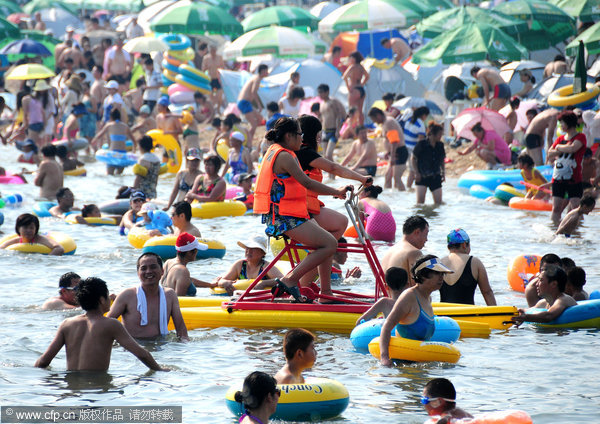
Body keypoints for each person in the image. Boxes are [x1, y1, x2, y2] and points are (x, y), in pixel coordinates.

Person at [253, 117, 349, 302]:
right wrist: (336, 191)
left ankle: (326, 293)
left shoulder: (275, 151)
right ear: (289, 136)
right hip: (285, 219)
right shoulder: (285, 156)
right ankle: (290, 280)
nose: (302, 138)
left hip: (287, 215)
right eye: (299, 134)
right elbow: (306, 182)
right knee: (330, 244)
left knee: (327, 241)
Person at [296, 115, 370, 296]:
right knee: (331, 238)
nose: (320, 138)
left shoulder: (304, 154)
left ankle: (318, 287)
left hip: (309, 208)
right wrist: (361, 178)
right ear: (313, 135)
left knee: (339, 223)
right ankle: (306, 284)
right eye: (319, 134)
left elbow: (310, 186)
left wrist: (336, 191)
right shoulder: (305, 153)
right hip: (301, 211)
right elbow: (335, 168)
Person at [35, 277, 167, 371]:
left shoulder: (67, 324)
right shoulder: (111, 324)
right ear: (101, 299)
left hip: (72, 389)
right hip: (96, 389)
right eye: (108, 296)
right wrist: (159, 369)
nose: (110, 299)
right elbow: (141, 353)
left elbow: (43, 361)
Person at [379, 255, 453, 366]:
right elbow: (387, 327)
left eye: (442, 274)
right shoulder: (409, 297)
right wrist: (384, 358)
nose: (441, 278)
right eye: (437, 273)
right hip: (402, 366)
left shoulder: (428, 298)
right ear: (423, 276)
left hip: (420, 364)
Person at [108, 253, 189, 340]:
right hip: (132, 349)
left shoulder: (170, 295)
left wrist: (185, 351)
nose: (148, 271)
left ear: (162, 271)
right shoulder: (127, 295)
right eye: (143, 268)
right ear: (138, 273)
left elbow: (181, 330)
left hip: (162, 346)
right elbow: (106, 324)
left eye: (153, 267)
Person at [548, 111, 588, 223]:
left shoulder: (581, 137)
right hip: (558, 178)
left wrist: (559, 148)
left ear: (569, 123)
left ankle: (578, 232)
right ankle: (554, 229)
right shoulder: (560, 139)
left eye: (562, 123)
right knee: (556, 208)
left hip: (574, 178)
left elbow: (573, 149)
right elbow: (550, 153)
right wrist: (562, 147)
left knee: (576, 208)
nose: (561, 126)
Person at [440, 229, 496, 306]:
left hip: (444, 314)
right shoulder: (475, 262)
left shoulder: (440, 263)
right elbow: (487, 292)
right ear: (464, 245)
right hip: (467, 314)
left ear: (448, 247)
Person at [160, 232, 227, 296]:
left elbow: (187, 280)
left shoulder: (168, 263)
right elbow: (179, 301)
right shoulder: (183, 271)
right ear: (189, 252)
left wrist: (210, 285)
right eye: (196, 250)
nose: (197, 252)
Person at [512, 265, 577, 325]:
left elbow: (548, 316)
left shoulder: (564, 299)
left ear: (554, 284)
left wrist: (525, 317)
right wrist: (520, 312)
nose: (536, 284)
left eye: (540, 280)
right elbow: (530, 311)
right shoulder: (543, 303)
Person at [216, 235, 282, 291]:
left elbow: (282, 280)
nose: (248, 251)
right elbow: (221, 280)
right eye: (247, 247)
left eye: (253, 248)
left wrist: (264, 283)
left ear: (262, 253)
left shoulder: (266, 266)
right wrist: (225, 283)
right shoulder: (239, 265)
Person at [381, 215, 428, 285]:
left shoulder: (389, 251)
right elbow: (419, 287)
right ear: (417, 232)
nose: (426, 239)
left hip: (386, 294)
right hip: (403, 296)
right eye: (426, 234)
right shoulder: (414, 252)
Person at [369, 107, 407, 190]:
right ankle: (392, 198)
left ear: (378, 115)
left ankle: (403, 196)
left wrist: (392, 156)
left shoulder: (388, 122)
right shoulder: (385, 122)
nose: (374, 122)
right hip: (394, 152)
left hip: (399, 152)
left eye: (374, 119)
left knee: (397, 178)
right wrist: (388, 152)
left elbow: (394, 141)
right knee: (388, 177)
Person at [92, 108, 136, 175]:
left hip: (112, 154)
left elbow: (98, 136)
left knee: (110, 176)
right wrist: (133, 152)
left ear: (111, 117)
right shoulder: (125, 126)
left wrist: (94, 145)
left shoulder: (109, 125)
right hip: (122, 155)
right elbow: (134, 141)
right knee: (119, 176)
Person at [413, 122, 446, 204]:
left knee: (438, 203)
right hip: (422, 176)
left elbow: (442, 160)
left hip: (435, 176)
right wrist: (416, 173)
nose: (441, 136)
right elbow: (413, 158)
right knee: (420, 203)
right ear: (433, 134)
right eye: (439, 134)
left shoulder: (440, 145)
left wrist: (443, 172)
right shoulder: (421, 144)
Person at [0, 213, 64, 255]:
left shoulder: (40, 239)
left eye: (31, 228)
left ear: (36, 229)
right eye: (25, 227)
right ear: (18, 228)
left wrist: (48, 258)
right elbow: (1, 248)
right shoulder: (17, 240)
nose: (28, 230)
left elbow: (59, 248)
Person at [237, 64, 268, 148]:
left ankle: (249, 137)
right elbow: (253, 92)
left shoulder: (255, 77)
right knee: (254, 124)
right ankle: (248, 142)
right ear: (262, 71)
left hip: (246, 102)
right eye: (266, 71)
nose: (267, 73)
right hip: (244, 102)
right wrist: (259, 105)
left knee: (259, 118)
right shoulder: (257, 79)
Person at [317, 84, 346, 163]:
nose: (320, 94)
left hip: (333, 131)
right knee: (325, 157)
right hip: (325, 131)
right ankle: (331, 175)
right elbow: (322, 119)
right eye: (319, 93)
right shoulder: (322, 104)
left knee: (328, 155)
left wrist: (338, 130)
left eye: (321, 92)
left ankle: (333, 174)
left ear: (327, 92)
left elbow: (339, 115)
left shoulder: (333, 102)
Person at [403, 106, 429, 189]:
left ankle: (407, 188)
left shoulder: (410, 119)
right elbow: (421, 140)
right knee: (413, 171)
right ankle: (409, 188)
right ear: (424, 115)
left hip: (405, 147)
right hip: (413, 150)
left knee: (409, 170)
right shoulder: (420, 123)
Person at [342, 51, 369, 125]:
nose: (350, 59)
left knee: (352, 110)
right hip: (361, 89)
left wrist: (348, 87)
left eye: (351, 57)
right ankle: (361, 126)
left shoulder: (352, 67)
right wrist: (362, 84)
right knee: (360, 111)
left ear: (354, 58)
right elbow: (367, 76)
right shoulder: (361, 67)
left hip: (354, 89)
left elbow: (344, 77)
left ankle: (353, 127)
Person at [133, 135, 161, 200]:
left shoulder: (143, 159)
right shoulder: (157, 159)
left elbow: (138, 178)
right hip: (153, 192)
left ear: (141, 146)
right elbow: (156, 178)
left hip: (142, 193)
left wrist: (133, 192)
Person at [201, 45, 225, 111]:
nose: (213, 52)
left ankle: (218, 109)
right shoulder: (206, 58)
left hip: (218, 79)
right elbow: (203, 69)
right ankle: (213, 110)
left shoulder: (219, 57)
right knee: (212, 96)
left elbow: (223, 68)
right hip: (211, 80)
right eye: (212, 51)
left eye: (214, 50)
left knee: (219, 96)